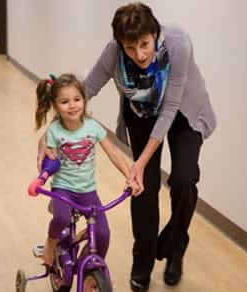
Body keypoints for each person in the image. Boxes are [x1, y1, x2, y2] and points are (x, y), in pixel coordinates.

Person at [38, 2, 216, 291]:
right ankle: (142, 262)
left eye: (144, 45)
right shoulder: (114, 52)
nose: (140, 54)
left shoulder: (178, 44)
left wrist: (140, 161)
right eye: (130, 48)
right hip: (142, 112)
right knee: (143, 187)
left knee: (185, 179)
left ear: (155, 34)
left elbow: (170, 108)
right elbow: (85, 89)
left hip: (183, 112)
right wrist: (49, 133)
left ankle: (174, 245)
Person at [34, 73, 139, 266]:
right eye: (65, 102)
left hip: (88, 191)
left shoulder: (93, 128)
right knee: (61, 217)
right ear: (56, 106)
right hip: (63, 189)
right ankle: (50, 243)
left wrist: (130, 177)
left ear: (84, 100)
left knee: (102, 234)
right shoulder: (54, 131)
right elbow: (47, 160)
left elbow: (114, 153)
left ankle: (88, 269)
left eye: (77, 99)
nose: (72, 105)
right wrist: (42, 176)